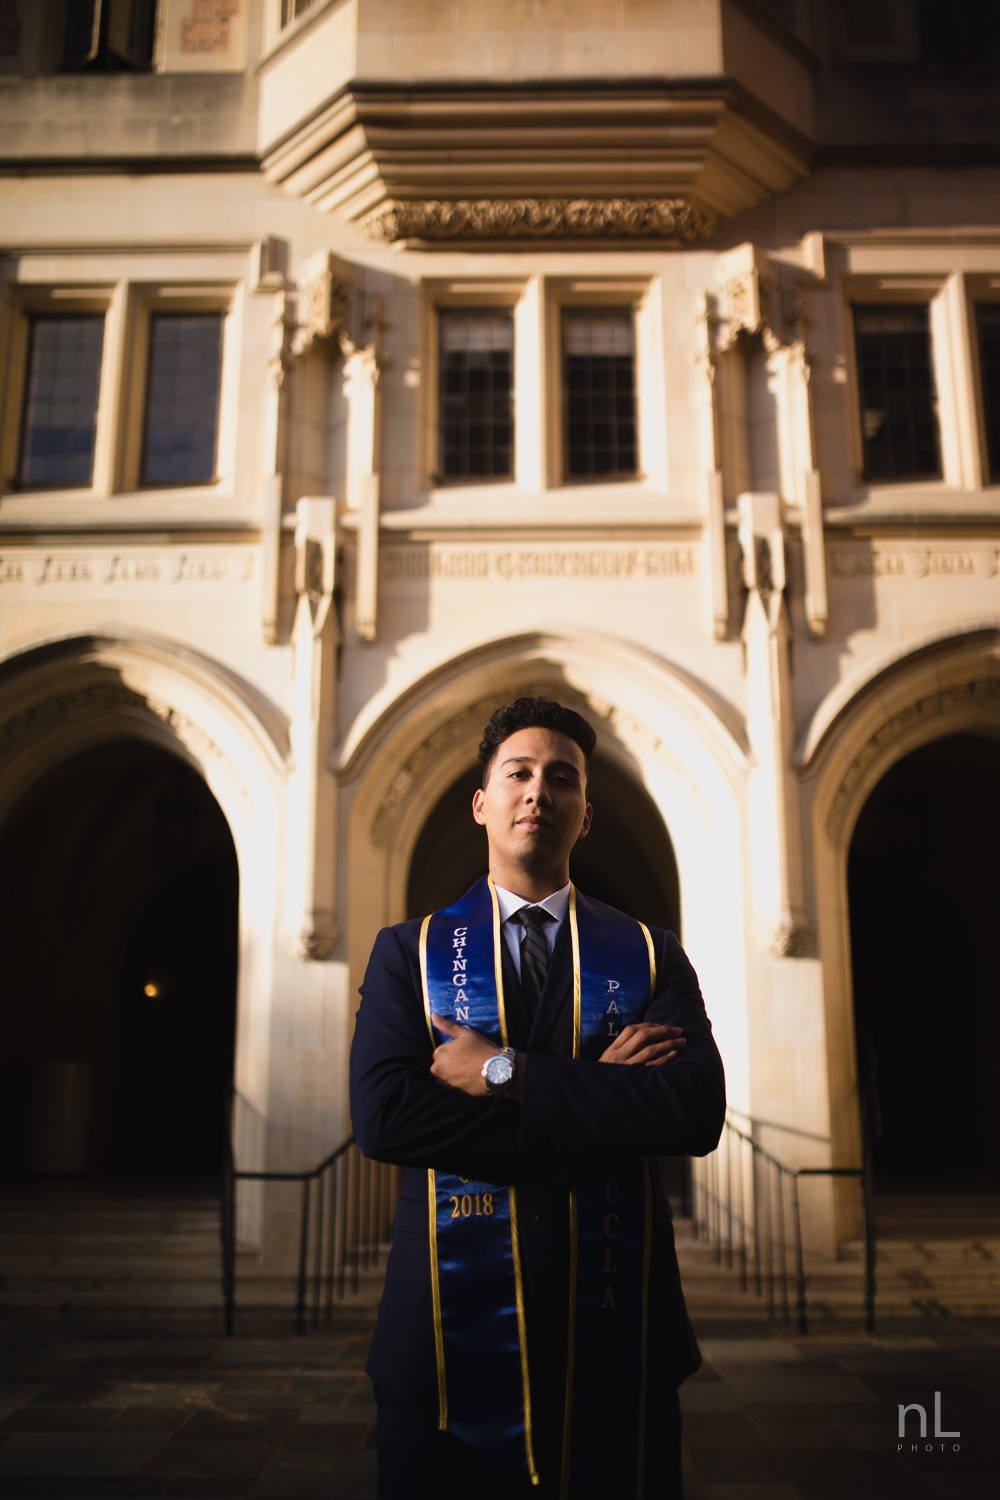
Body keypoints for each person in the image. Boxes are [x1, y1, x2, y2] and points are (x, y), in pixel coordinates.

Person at [350, 697, 726, 1499]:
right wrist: (604, 1109)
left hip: (620, 1334)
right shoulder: (406, 955)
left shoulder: (651, 955)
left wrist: (504, 1073)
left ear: (585, 815)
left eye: (563, 779)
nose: (538, 792)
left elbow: (694, 1110)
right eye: (518, 773)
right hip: (446, 1350)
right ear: (482, 804)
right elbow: (385, 1118)